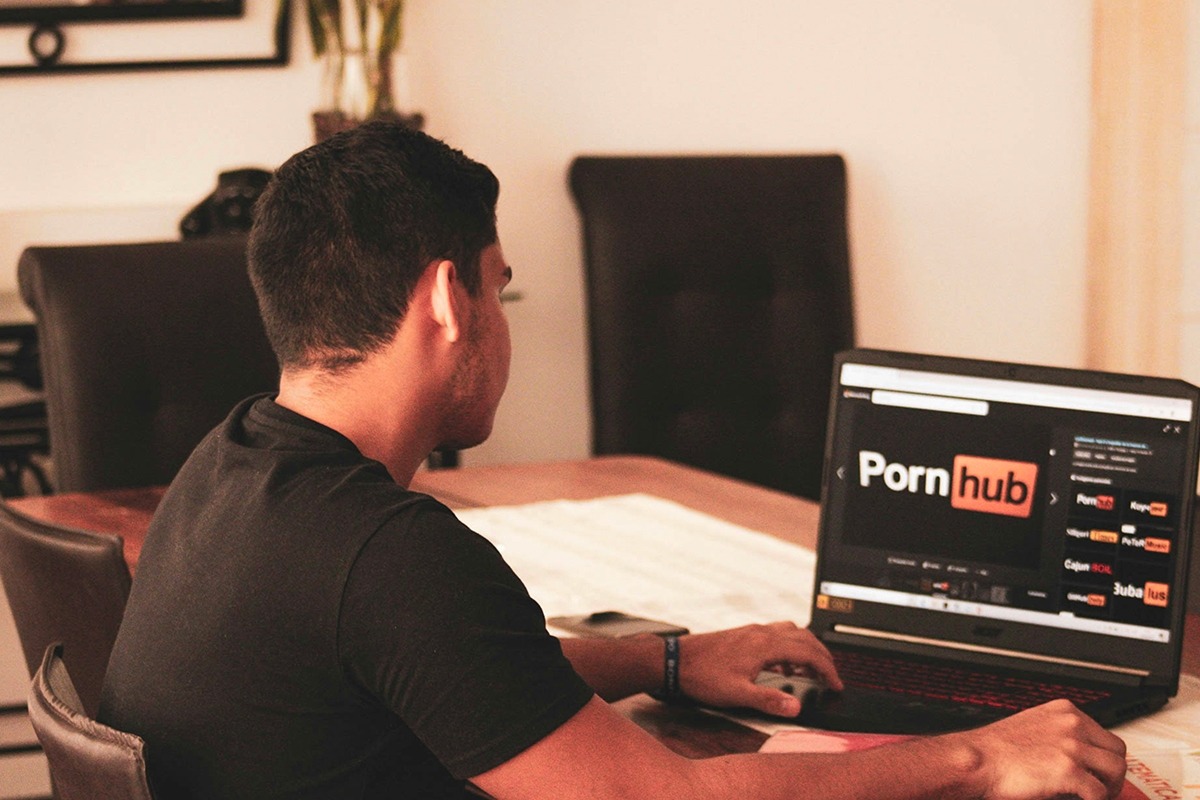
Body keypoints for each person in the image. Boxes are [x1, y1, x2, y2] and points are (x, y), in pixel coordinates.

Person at [99, 121, 1127, 800]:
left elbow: (455, 670)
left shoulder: (230, 465)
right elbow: (658, 797)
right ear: (450, 301)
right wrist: (980, 755)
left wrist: (663, 660)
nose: (502, 316)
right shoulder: (387, 554)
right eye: (500, 284)